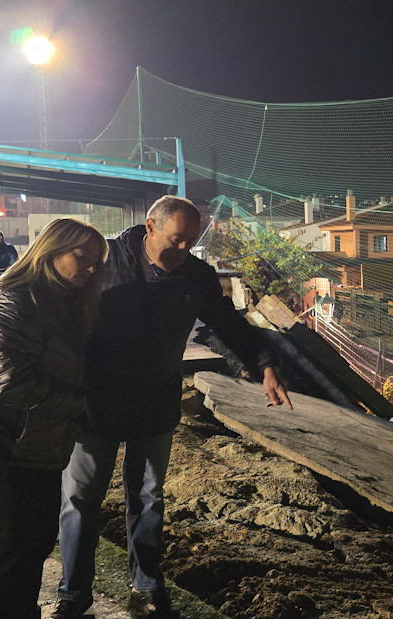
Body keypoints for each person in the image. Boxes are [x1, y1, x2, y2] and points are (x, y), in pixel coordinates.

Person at [54, 196, 291, 619]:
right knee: (81, 498)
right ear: (150, 226)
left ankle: (146, 585)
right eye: (177, 239)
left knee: (147, 497)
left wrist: (265, 365)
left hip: (155, 400)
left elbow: (230, 324)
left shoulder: (197, 277)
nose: (184, 250)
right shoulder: (103, 262)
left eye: (191, 242)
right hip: (96, 401)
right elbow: (57, 303)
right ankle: (73, 594)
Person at [0, 218, 108, 618]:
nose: (90, 269)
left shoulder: (62, 301)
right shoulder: (14, 300)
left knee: (31, 547)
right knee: (11, 554)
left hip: (34, 445)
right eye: (81, 257)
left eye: (96, 262)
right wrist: (84, 403)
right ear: (50, 250)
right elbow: (10, 385)